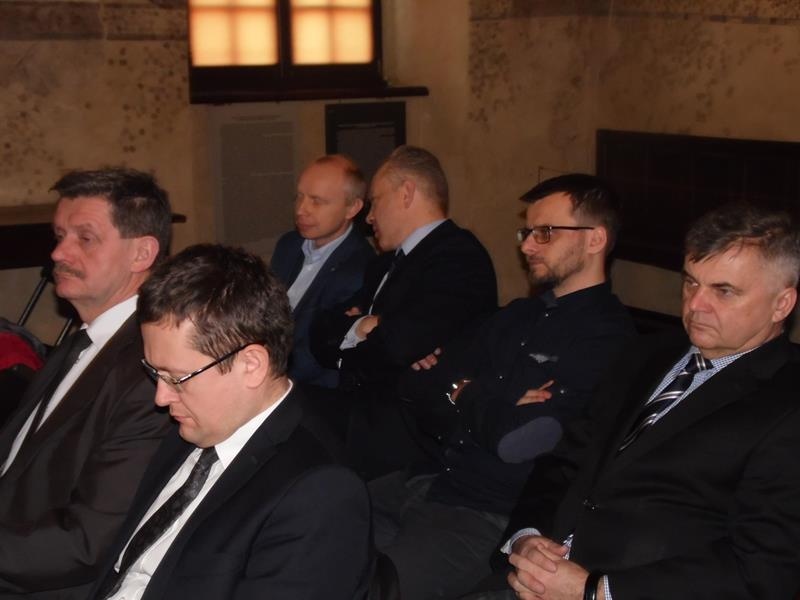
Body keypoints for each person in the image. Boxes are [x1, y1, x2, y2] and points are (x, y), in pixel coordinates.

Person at [478, 203, 800, 600]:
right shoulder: (644, 354)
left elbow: (763, 571)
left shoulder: (787, 404)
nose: (696, 305)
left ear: (782, 304)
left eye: (724, 291)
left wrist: (595, 591)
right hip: (535, 575)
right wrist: (526, 538)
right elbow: (564, 462)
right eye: (691, 283)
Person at [370, 174, 636, 599]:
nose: (527, 246)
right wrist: (486, 398)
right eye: (527, 233)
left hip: (484, 513)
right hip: (426, 478)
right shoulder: (516, 315)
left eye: (545, 233)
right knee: (317, 521)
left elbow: (519, 440)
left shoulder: (608, 338)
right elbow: (416, 384)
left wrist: (464, 391)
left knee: (373, 588)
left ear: (595, 239)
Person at [88, 244, 371, 600]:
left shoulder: (319, 494)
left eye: (176, 377)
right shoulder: (191, 427)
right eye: (155, 373)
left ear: (250, 365)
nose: (161, 397)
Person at [0, 168, 173, 598]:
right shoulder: (86, 337)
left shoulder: (152, 368)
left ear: (142, 253)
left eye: (85, 238)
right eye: (60, 235)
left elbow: (85, 543)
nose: (58, 252)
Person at [310, 145, 497, 477]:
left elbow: (399, 344)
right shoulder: (384, 263)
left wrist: (361, 335)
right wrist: (365, 326)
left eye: (376, 201)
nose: (369, 217)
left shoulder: (458, 257)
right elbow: (319, 331)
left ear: (407, 193)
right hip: (361, 417)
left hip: (410, 440)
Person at [271, 154, 374, 389]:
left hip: (311, 392)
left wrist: (263, 380)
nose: (301, 209)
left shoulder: (361, 267)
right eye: (299, 197)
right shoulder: (288, 245)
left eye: (316, 201)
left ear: (352, 208)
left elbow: (314, 355)